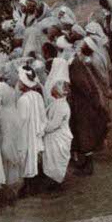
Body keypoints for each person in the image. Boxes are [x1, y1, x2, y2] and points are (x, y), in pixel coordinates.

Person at [68, 44, 110, 175]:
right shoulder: (79, 66)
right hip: (84, 105)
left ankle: (88, 166)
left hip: (83, 107)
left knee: (85, 134)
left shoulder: (75, 67)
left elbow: (84, 87)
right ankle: (86, 163)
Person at [17, 66, 47, 194]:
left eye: (19, 81)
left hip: (26, 133)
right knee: (35, 157)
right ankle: (35, 184)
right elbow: (42, 115)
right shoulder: (37, 96)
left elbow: (21, 120)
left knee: (27, 157)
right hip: (36, 131)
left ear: (24, 83)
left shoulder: (23, 100)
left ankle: (28, 186)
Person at [41, 82, 73, 189]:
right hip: (55, 136)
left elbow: (54, 125)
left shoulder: (61, 106)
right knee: (53, 160)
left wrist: (41, 128)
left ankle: (56, 182)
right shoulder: (58, 103)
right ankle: (54, 179)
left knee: (55, 160)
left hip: (58, 137)